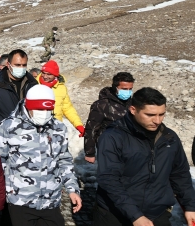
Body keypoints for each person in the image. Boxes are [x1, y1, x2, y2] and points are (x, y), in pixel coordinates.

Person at [94, 87, 195, 226]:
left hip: (156, 213)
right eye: (150, 115)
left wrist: (190, 206)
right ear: (133, 110)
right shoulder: (113, 137)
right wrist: (135, 216)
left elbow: (180, 174)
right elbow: (109, 179)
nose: (157, 121)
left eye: (162, 114)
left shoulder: (169, 138)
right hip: (116, 214)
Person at [0, 84, 82, 225]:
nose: (44, 113)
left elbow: (64, 161)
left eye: (48, 109)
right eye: (40, 109)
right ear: (29, 107)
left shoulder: (58, 128)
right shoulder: (9, 127)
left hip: (51, 202)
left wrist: (72, 189)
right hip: (20, 202)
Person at [83, 72, 135, 164]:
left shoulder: (133, 104)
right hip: (108, 148)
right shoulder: (102, 105)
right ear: (115, 88)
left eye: (130, 89)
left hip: (130, 148)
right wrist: (90, 153)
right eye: (124, 89)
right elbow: (91, 128)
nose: (127, 92)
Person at [36, 60, 85, 136]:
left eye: (49, 74)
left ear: (55, 75)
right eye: (43, 73)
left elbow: (68, 108)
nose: (45, 76)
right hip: (37, 129)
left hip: (55, 128)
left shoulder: (61, 88)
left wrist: (78, 125)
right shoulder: (34, 85)